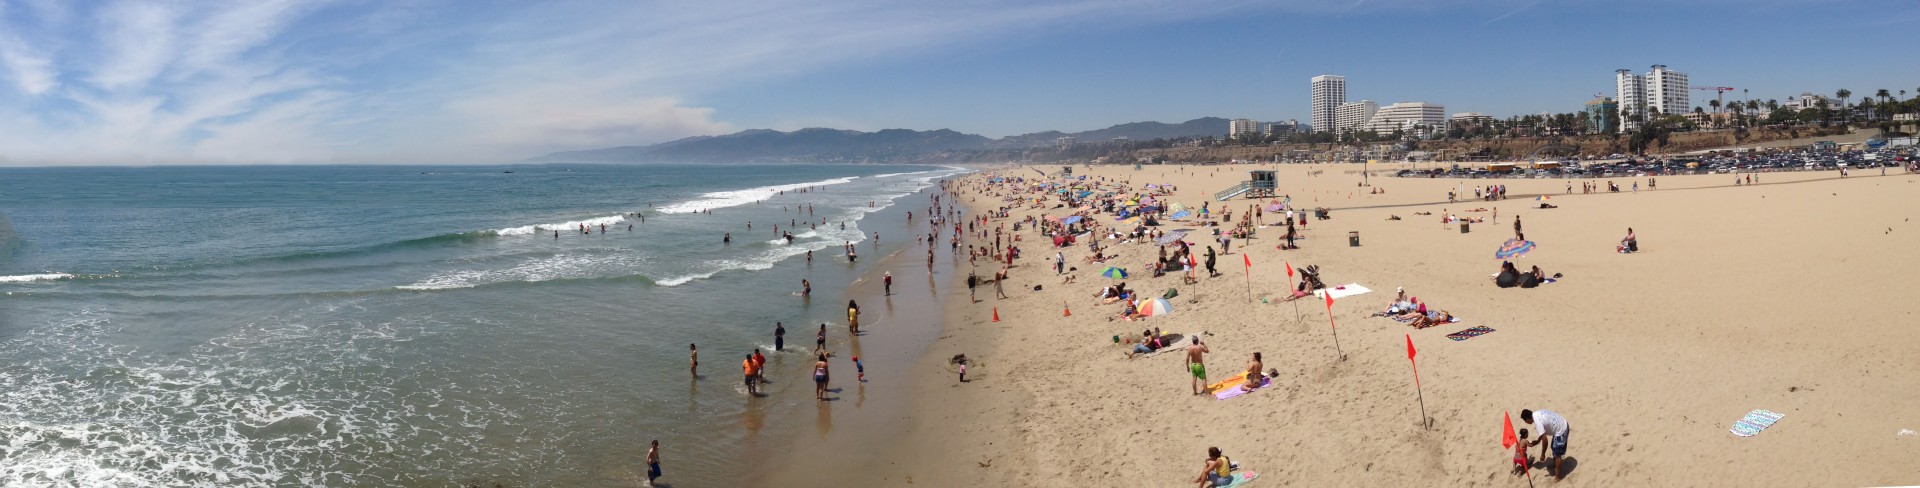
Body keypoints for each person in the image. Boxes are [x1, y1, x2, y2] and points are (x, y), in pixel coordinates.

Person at [1521, 409, 1570, 479]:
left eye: (1525, 421)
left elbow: (1545, 441)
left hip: (1561, 430)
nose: (1526, 422)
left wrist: (1543, 454)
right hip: (1561, 423)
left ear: (1528, 419)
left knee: (1557, 453)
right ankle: (1555, 465)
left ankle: (1558, 477)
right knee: (1554, 447)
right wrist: (1538, 441)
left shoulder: (1538, 423)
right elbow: (1542, 433)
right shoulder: (1536, 413)